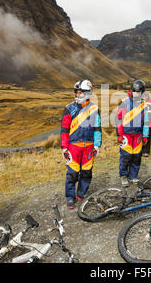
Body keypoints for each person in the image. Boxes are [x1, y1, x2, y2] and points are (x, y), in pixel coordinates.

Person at [60, 80, 102, 209]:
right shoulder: (69, 108)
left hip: (89, 147)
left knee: (86, 172)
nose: (77, 95)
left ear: (88, 93)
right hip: (73, 147)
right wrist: (64, 147)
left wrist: (97, 145)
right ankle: (70, 198)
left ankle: (81, 194)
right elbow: (64, 130)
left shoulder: (94, 108)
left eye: (80, 92)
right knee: (72, 173)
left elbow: (97, 128)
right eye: (76, 92)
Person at [116, 80, 150, 187]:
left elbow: (146, 122)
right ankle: (123, 176)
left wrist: (145, 135)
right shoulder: (124, 103)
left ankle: (133, 176)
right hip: (126, 135)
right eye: (134, 91)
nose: (136, 93)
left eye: (138, 92)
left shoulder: (145, 105)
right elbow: (119, 120)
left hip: (138, 135)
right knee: (125, 156)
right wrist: (119, 135)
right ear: (131, 90)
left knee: (136, 157)